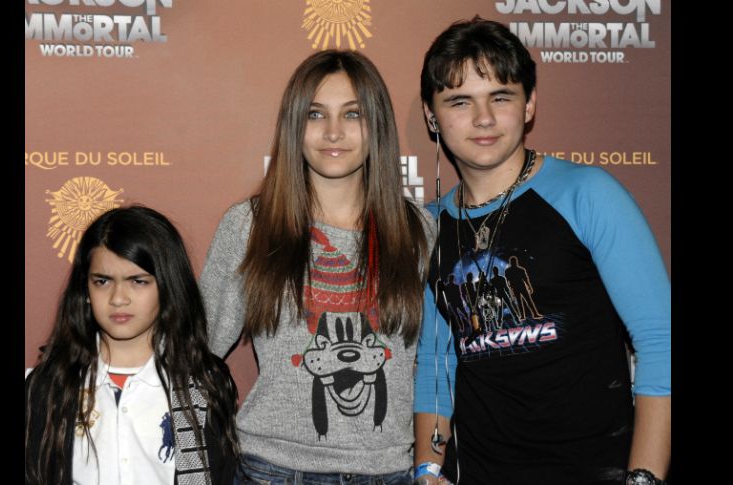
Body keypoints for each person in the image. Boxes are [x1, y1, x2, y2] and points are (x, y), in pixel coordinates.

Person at [412, 16, 671, 485]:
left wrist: (644, 479)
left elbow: (660, 341)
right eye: (460, 101)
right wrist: (427, 470)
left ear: (529, 104)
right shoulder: (429, 227)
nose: (484, 118)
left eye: (501, 97)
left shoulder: (587, 194)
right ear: (432, 116)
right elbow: (435, 366)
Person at [200, 49, 435, 484]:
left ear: (377, 125)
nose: (333, 132)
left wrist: (431, 463)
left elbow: (439, 364)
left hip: (388, 472)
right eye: (315, 114)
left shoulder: (419, 230)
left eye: (352, 114)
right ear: (294, 125)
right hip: (271, 471)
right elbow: (193, 351)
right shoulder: (250, 226)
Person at [25, 206, 239, 485]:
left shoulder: (203, 385)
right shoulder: (50, 385)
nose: (118, 298)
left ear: (168, 286)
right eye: (102, 281)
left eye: (138, 281)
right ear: (85, 290)